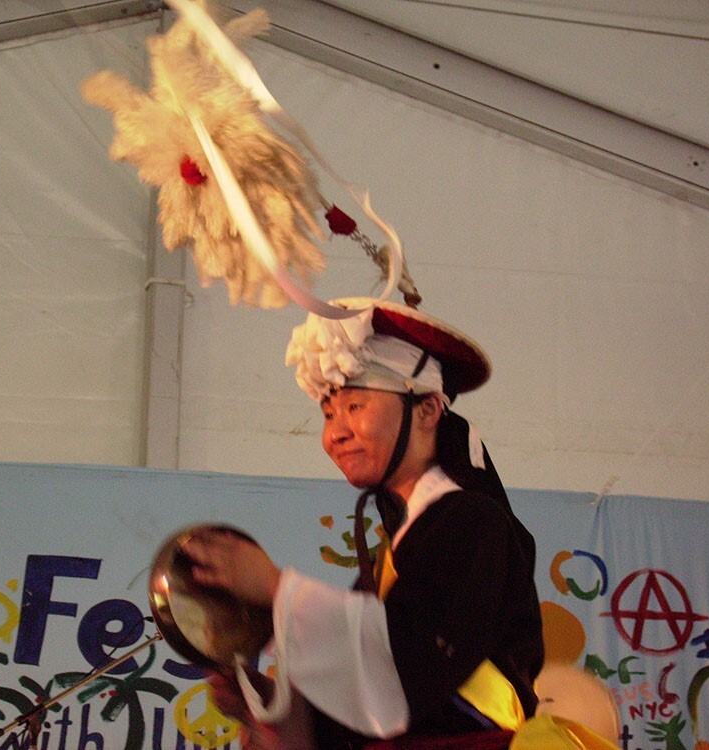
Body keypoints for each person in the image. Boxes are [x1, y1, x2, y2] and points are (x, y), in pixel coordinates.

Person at [182, 297, 545, 749]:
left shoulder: (475, 523)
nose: (335, 432)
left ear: (428, 410)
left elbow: (410, 669)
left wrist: (276, 588)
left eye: (355, 406)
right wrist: (271, 707)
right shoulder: (391, 559)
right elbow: (371, 711)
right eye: (329, 414)